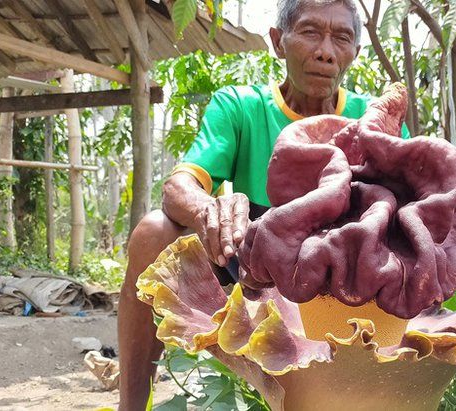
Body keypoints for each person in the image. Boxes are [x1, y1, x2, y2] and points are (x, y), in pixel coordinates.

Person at [117, 0, 409, 408]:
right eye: (310, 32)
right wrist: (208, 210)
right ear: (278, 41)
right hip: (252, 264)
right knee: (153, 230)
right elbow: (179, 184)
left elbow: (411, 209)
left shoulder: (372, 118)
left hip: (346, 274)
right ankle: (131, 403)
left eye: (341, 37)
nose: (325, 50)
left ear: (355, 53)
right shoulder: (240, 105)